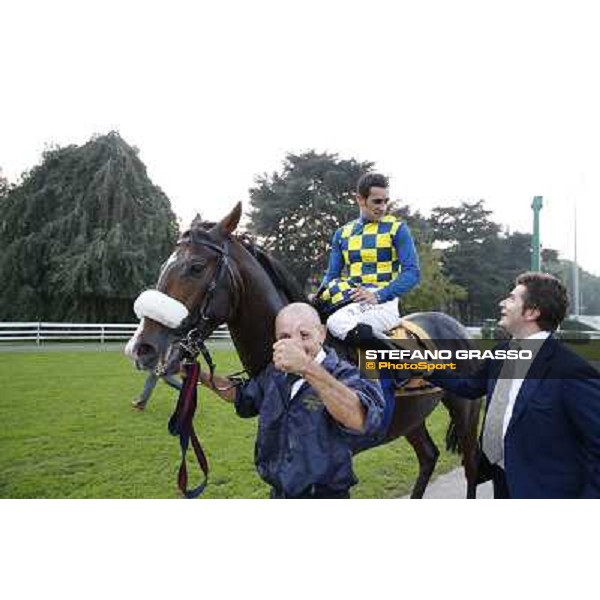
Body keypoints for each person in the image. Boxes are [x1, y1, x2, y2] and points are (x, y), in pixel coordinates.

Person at [429, 272, 600, 498]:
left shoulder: (571, 370)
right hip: (503, 479)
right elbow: (469, 386)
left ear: (532, 312)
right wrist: (424, 368)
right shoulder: (501, 352)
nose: (502, 303)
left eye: (511, 299)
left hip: (547, 490)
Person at [199, 302, 385, 499]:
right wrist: (198, 375)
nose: (294, 345)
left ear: (322, 334)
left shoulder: (348, 374)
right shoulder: (275, 372)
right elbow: (243, 396)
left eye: (304, 335)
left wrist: (306, 366)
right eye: (285, 337)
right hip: (279, 493)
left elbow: (361, 418)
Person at [316, 172, 420, 346]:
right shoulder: (342, 234)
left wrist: (378, 296)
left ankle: (403, 359)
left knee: (337, 323)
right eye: (377, 201)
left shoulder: (397, 228)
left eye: (386, 201)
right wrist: (317, 298)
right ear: (360, 199)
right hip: (349, 303)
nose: (383, 207)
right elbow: (331, 276)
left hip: (383, 305)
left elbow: (412, 273)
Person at [124, 321, 182, 410]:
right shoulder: (158, 329)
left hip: (158, 359)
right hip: (157, 359)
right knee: (155, 378)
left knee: (160, 378)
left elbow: (165, 346)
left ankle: (187, 390)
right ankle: (142, 402)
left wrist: (162, 361)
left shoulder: (164, 330)